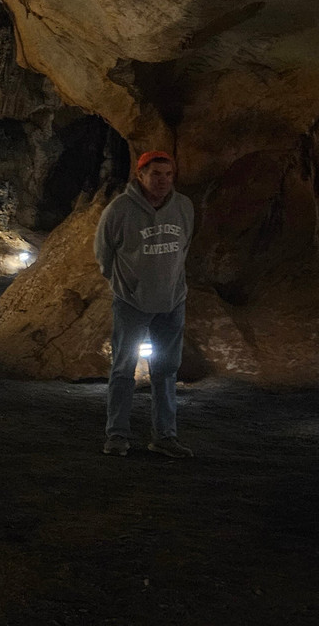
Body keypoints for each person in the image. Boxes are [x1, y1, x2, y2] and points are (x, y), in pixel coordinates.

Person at [94, 150, 195, 458]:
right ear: (140, 176)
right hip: (132, 303)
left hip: (172, 301)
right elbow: (104, 254)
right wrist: (128, 286)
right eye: (155, 174)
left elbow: (185, 246)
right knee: (123, 369)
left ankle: (165, 435)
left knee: (166, 370)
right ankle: (117, 434)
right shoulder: (120, 210)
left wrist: (173, 284)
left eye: (168, 175)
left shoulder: (184, 207)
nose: (162, 181)